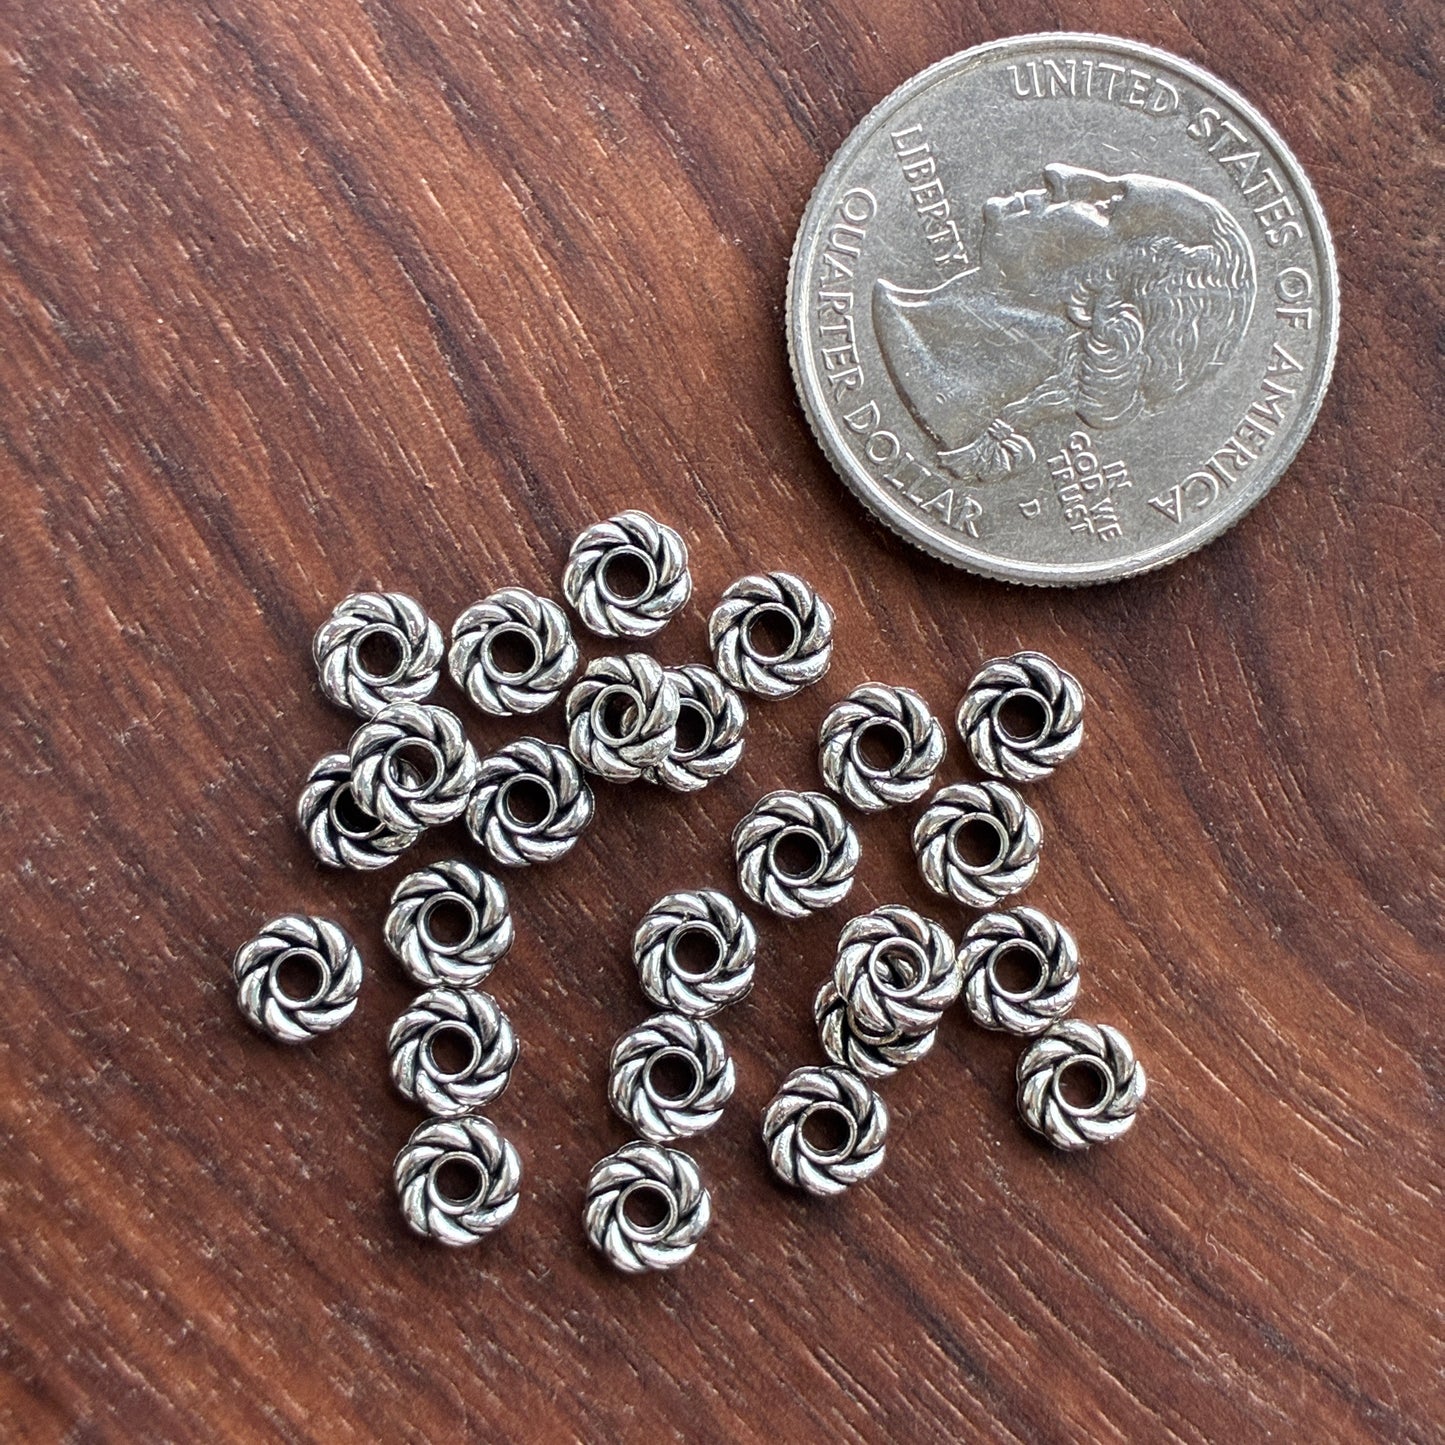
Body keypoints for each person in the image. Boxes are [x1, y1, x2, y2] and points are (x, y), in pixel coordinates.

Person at [873, 164, 1256, 482]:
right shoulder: (900, 327)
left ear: (1099, 297)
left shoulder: (930, 382)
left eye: (1106, 205)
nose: (1059, 174)